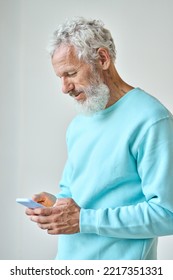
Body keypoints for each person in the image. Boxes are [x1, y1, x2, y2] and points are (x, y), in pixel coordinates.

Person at [26, 17, 173, 260]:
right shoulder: (79, 124)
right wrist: (54, 208)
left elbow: (167, 213)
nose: (64, 88)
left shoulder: (151, 120)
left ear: (102, 59)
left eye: (71, 73)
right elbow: (74, 197)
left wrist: (83, 219)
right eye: (60, 77)